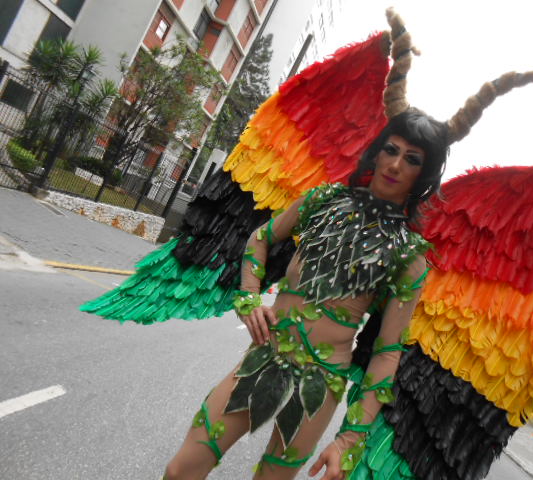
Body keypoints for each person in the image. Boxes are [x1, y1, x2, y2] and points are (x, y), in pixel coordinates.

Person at [162, 108, 449, 480]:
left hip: (321, 383)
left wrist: (348, 441)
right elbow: (260, 240)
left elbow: (387, 353)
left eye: (411, 159)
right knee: (182, 468)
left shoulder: (409, 256)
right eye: (391, 150)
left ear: (421, 176)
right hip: (265, 355)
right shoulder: (322, 201)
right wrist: (249, 298)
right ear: (377, 152)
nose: (395, 164)